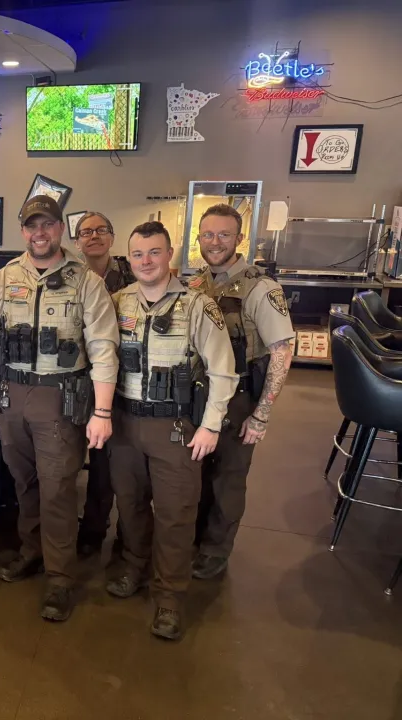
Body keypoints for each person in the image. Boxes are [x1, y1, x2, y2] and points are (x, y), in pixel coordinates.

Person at [0, 195, 120, 622]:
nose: (40, 233)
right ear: (23, 231)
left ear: (59, 230)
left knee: (57, 490)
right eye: (32, 226)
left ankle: (60, 577)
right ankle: (31, 552)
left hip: (60, 397)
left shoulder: (86, 281)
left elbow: (104, 350)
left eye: (48, 224)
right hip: (10, 395)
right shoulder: (2, 279)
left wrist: (102, 413)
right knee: (24, 482)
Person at [107, 220, 238, 641]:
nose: (146, 261)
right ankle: (133, 567)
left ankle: (169, 597)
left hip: (176, 427)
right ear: (130, 260)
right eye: (138, 254)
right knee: (129, 506)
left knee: (176, 516)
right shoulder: (115, 302)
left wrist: (211, 426)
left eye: (155, 252)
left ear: (170, 256)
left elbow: (223, 370)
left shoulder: (199, 306)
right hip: (125, 423)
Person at [189, 204, 295, 580]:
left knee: (228, 480)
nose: (214, 242)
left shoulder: (260, 288)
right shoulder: (197, 284)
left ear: (239, 239)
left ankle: (215, 551)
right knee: (196, 475)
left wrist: (262, 414)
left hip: (242, 397)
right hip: (201, 396)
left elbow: (283, 350)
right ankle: (193, 540)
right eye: (208, 235)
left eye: (223, 235)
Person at [73, 211, 137, 557]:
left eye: (100, 231)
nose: (93, 237)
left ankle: (111, 533)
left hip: (121, 383)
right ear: (76, 241)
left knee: (110, 465)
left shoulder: (131, 274)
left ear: (112, 237)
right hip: (74, 381)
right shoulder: (70, 276)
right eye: (85, 232)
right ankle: (84, 528)